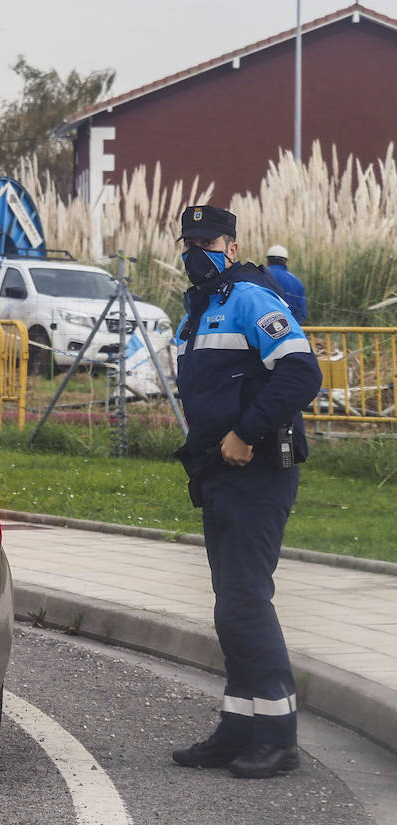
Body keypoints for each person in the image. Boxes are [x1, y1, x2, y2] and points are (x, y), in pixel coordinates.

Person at [169, 206, 322, 779]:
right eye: (188, 241)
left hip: (257, 471)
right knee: (232, 605)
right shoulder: (201, 308)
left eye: (206, 240)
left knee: (246, 602)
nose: (194, 250)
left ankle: (278, 738)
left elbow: (302, 373)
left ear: (231, 246)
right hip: (218, 473)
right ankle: (238, 726)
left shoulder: (253, 298)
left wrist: (243, 432)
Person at [265, 245, 309, 324]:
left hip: (263, 328)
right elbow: (301, 314)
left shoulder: (259, 277)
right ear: (285, 262)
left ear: (267, 261)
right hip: (289, 330)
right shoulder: (297, 282)